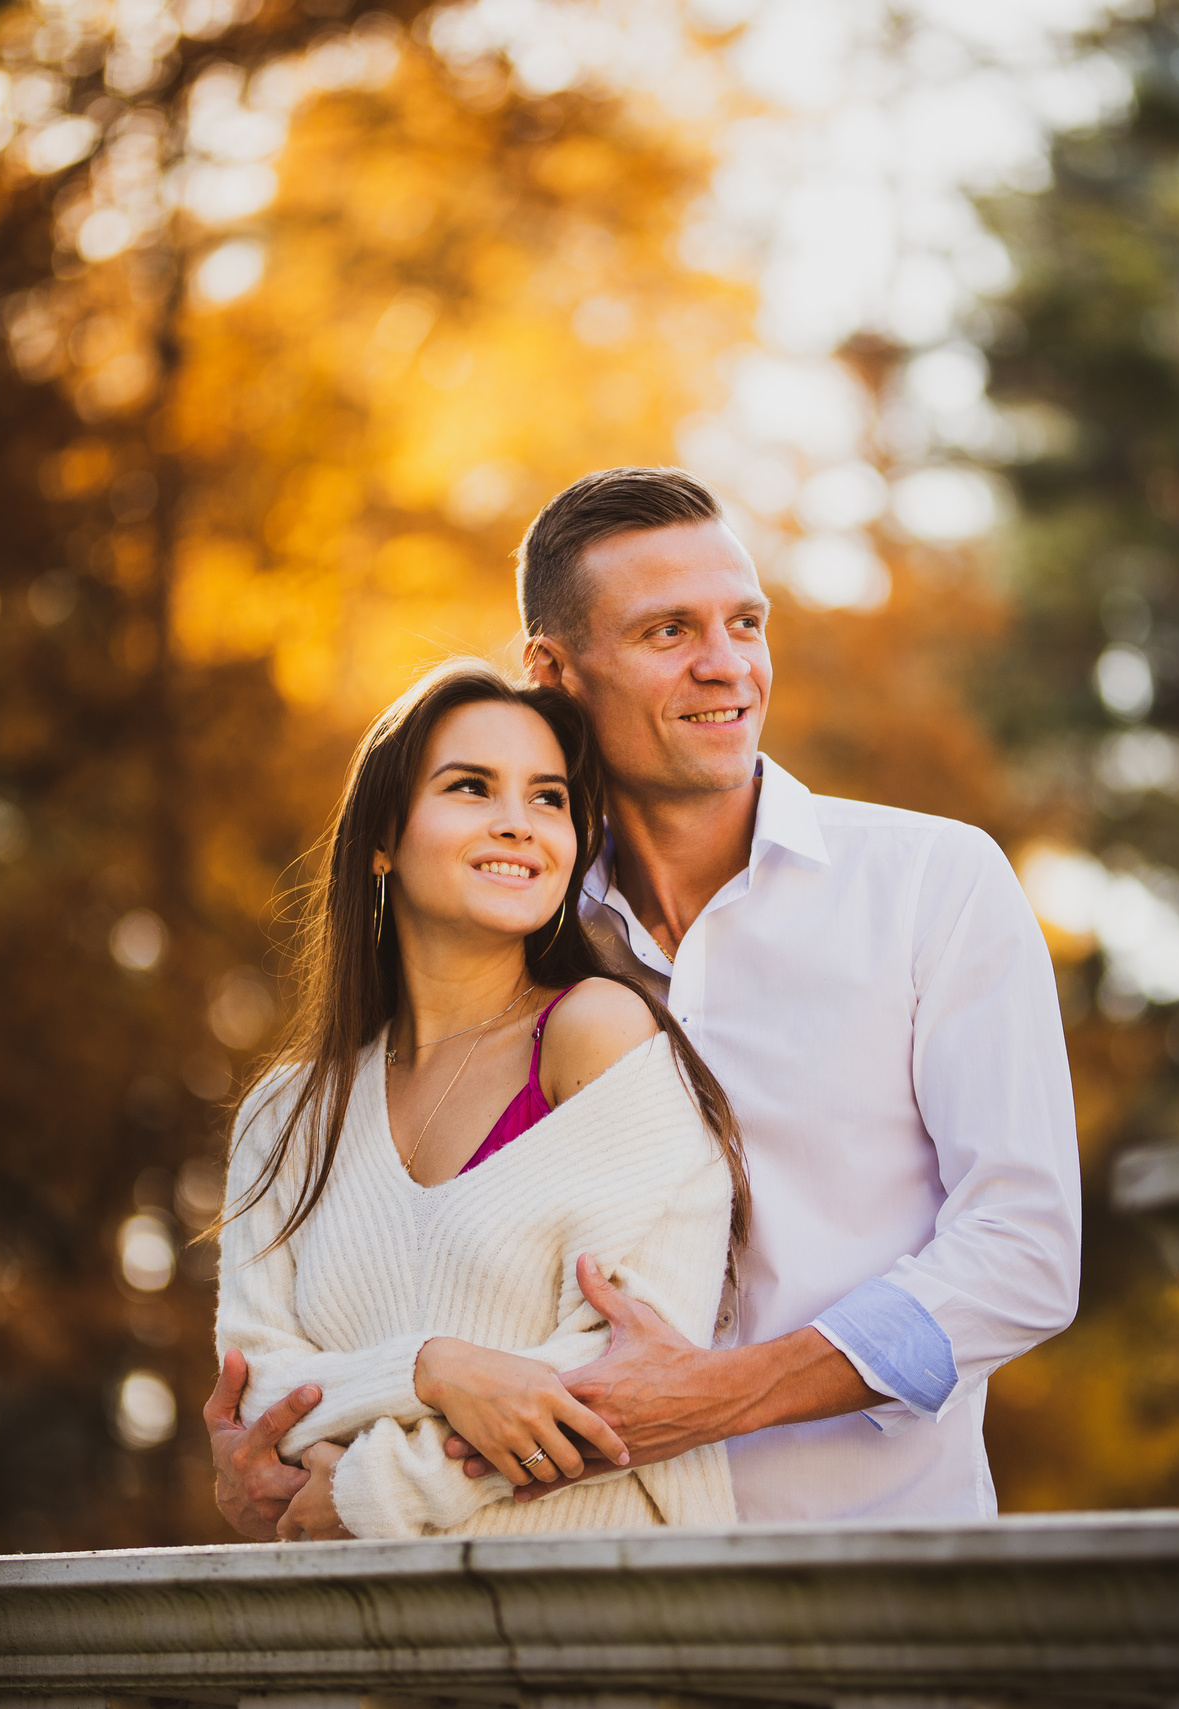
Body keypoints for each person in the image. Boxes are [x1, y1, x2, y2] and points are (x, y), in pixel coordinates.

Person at [208, 465, 1082, 1531]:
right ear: (552, 671)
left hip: (880, 1561)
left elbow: (1026, 1250)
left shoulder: (931, 885)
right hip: (588, 1567)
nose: (728, 665)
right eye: (669, 630)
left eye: (745, 622)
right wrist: (291, 1445)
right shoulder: (515, 931)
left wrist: (720, 1394)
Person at [205, 661, 751, 1540]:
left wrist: (372, 1493)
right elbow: (258, 1391)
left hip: (602, 1601)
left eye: (548, 798)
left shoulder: (596, 1036)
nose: (518, 823)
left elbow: (624, 1376)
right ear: (383, 837)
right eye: (470, 787)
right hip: (362, 1622)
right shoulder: (287, 1115)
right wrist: (433, 1369)